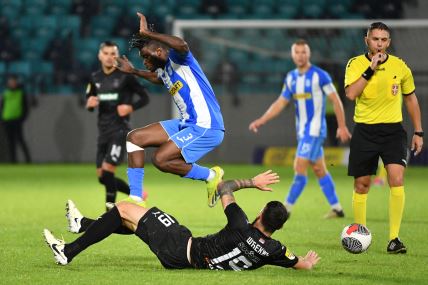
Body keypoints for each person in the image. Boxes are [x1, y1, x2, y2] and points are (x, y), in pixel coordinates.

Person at [43, 170, 320, 270]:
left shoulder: (240, 223)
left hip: (181, 248)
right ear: (277, 227)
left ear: (260, 215)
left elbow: (224, 188)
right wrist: (307, 262)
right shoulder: (274, 250)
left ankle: (68, 252)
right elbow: (300, 264)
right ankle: (81, 224)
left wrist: (253, 181)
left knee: (125, 208)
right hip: (185, 252)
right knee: (133, 222)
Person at [114, 12, 225, 207]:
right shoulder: (164, 71)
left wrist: (148, 33)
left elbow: (182, 44)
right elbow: (158, 79)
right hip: (187, 123)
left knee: (160, 159)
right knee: (134, 138)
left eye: (146, 57)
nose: (144, 62)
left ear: (158, 51)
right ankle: (136, 198)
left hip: (206, 126)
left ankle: (211, 175)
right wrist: (134, 72)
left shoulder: (180, 58)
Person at [344, 22, 423, 254]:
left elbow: (410, 99)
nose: (379, 43)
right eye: (375, 39)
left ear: (389, 42)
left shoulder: (400, 66)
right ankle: (360, 235)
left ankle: (394, 238)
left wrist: (418, 131)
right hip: (365, 131)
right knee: (362, 185)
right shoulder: (355, 64)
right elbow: (350, 93)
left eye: (383, 39)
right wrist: (370, 68)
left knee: (396, 179)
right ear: (366, 40)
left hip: (392, 132)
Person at [249, 39, 351, 218]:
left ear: (308, 54)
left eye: (303, 52)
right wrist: (262, 120)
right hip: (302, 131)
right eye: (297, 52)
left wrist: (342, 126)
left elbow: (335, 100)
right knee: (319, 169)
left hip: (314, 131)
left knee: (299, 167)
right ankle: (337, 208)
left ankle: (286, 209)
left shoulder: (320, 75)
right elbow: (281, 103)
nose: (300, 55)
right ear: (292, 55)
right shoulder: (291, 78)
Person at [85, 41, 150, 206]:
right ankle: (136, 193)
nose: (109, 57)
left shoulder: (125, 76)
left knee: (107, 172)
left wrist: (130, 107)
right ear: (100, 56)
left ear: (117, 56)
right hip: (103, 130)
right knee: (102, 177)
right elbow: (90, 100)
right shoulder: (95, 78)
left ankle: (109, 214)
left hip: (120, 130)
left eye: (112, 53)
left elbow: (145, 97)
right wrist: (89, 105)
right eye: (105, 53)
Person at [0, 74, 31, 163]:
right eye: (10, 81)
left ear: (16, 82)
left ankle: (28, 160)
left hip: (17, 120)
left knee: (20, 140)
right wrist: (2, 119)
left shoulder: (21, 93)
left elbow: (25, 108)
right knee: (10, 142)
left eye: (13, 81)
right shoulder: (6, 93)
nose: (12, 83)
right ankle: (13, 161)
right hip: (7, 120)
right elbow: (2, 106)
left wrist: (22, 119)